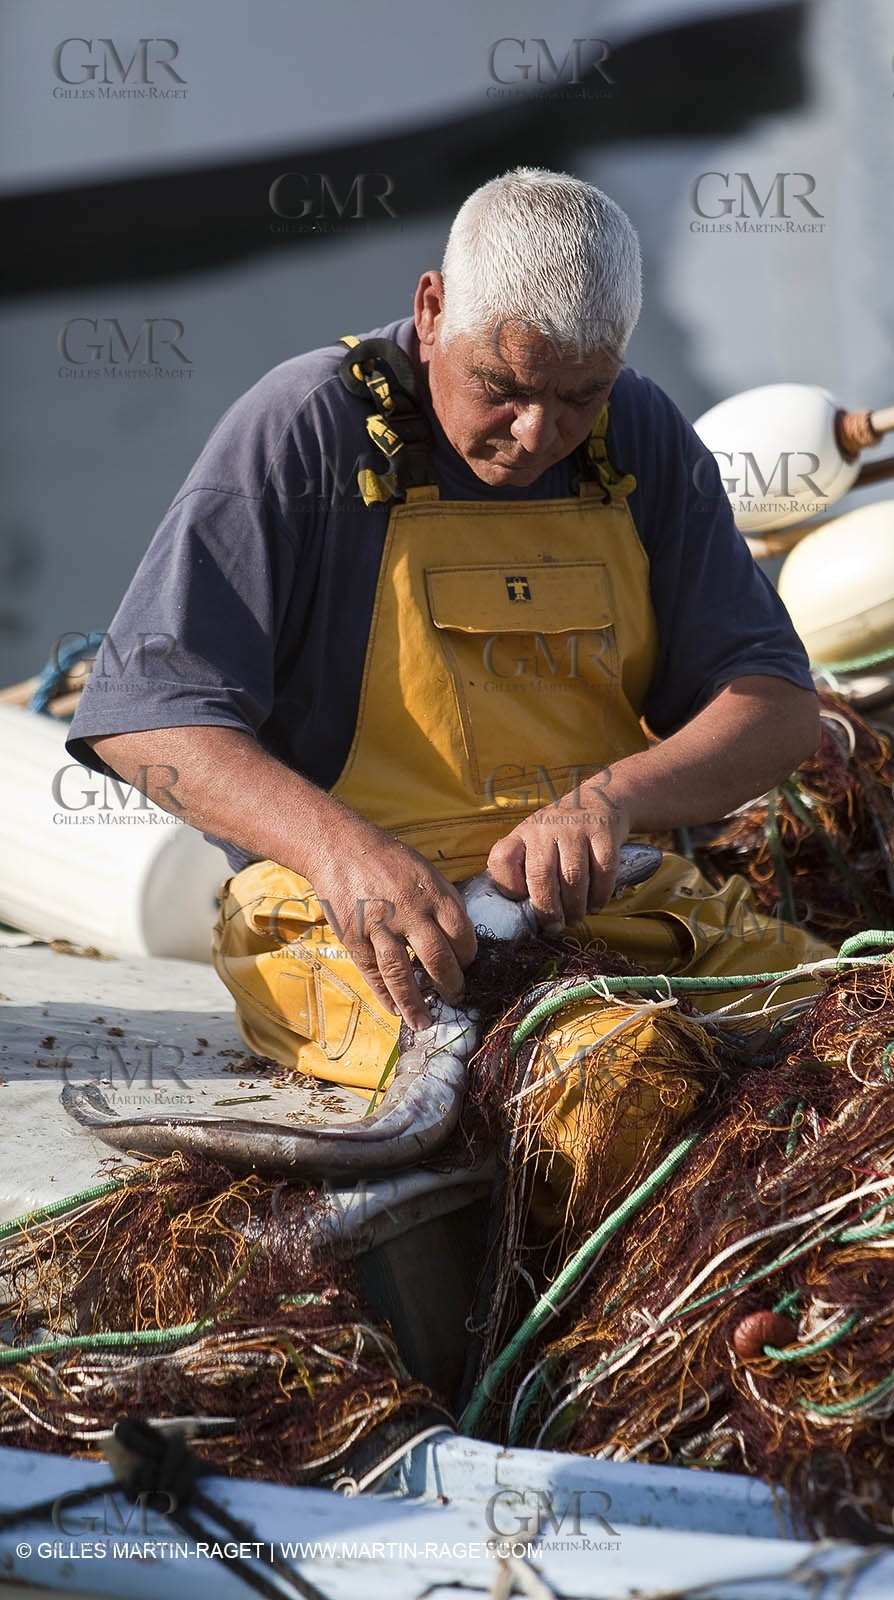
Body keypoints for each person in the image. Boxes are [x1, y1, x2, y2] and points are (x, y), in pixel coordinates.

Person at [67, 169, 828, 1203]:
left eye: (576, 397)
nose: (535, 433)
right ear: (431, 312)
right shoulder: (304, 430)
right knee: (611, 1079)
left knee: (890, 1025)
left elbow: (778, 705)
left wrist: (607, 804)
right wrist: (344, 854)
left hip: (610, 907)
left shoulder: (639, 433)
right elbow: (144, 718)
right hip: (351, 930)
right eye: (502, 388)